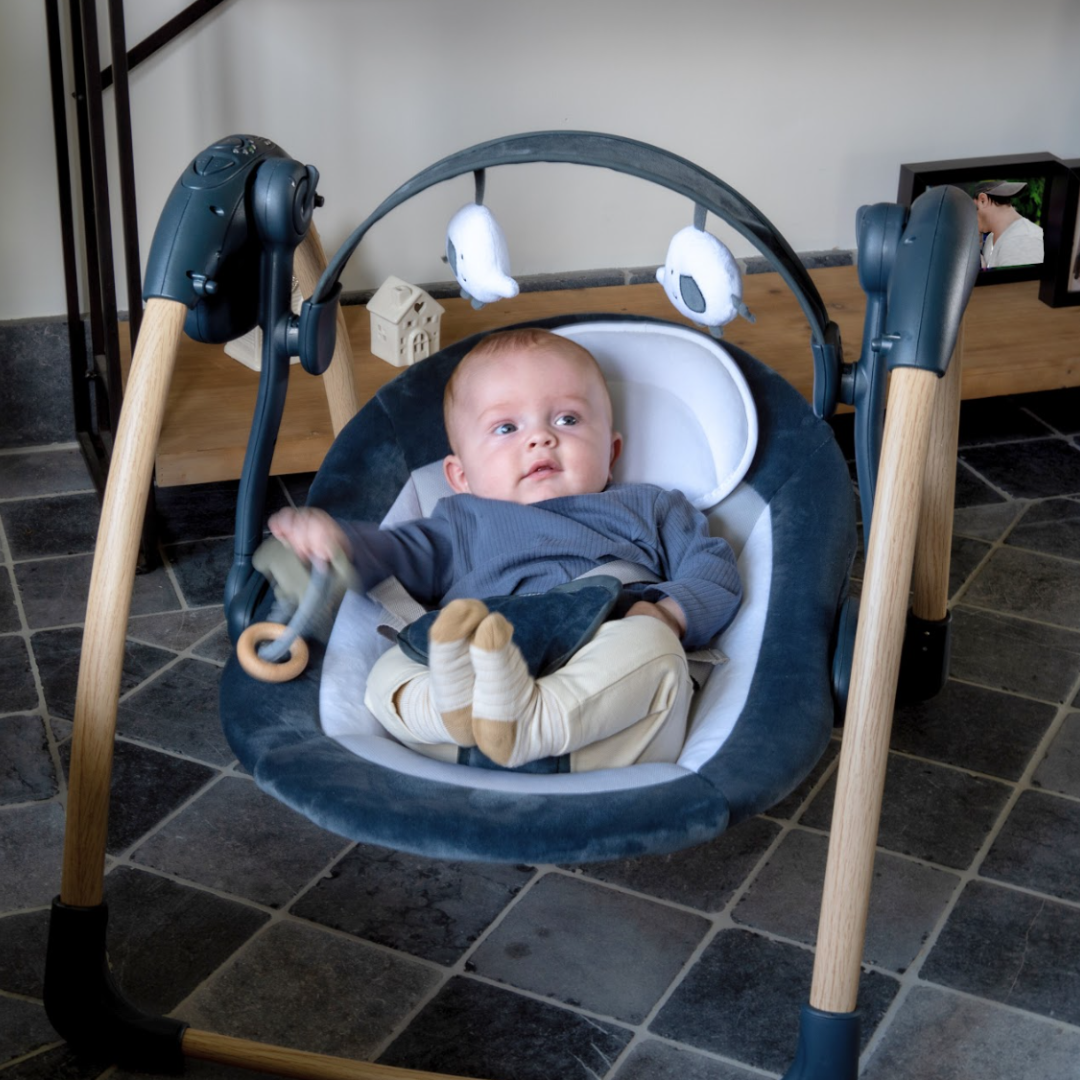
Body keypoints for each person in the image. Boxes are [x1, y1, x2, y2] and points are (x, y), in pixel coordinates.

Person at [269, 328, 742, 771]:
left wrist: (667, 614)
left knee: (652, 647)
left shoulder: (649, 507)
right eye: (505, 428)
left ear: (611, 453)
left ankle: (535, 723)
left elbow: (713, 568)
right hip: (478, 686)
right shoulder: (460, 522)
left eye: (568, 419)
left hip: (605, 703)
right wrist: (338, 542)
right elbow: (391, 553)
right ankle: (459, 712)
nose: (540, 438)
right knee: (387, 675)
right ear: (461, 477)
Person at [972, 180, 1044, 269]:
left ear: (983, 200)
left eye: (972, 208)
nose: (970, 216)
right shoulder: (991, 239)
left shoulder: (1023, 241)